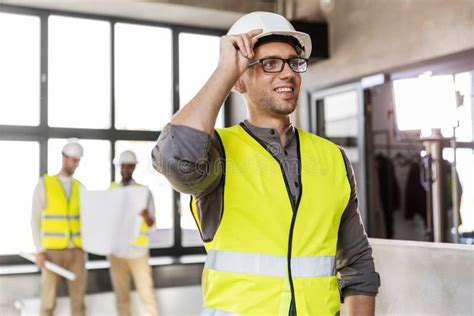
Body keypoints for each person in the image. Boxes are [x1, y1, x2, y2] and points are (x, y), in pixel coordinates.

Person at [152, 11, 380, 316]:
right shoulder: (218, 154)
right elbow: (173, 158)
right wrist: (224, 72)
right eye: (270, 63)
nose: (288, 73)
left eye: (293, 62)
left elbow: (357, 265)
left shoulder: (332, 158)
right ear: (240, 80)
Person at [31, 138, 86, 316]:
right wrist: (39, 249)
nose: (75, 163)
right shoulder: (45, 184)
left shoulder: (80, 187)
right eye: (72, 159)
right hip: (52, 252)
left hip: (77, 251)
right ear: (63, 157)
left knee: (78, 303)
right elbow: (34, 219)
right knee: (48, 302)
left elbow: (88, 220)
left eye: (78, 160)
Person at [109, 150, 159, 316]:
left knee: (147, 297)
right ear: (119, 167)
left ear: (133, 168)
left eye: (129, 166)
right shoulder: (111, 190)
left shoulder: (144, 192)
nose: (126, 170)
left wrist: (146, 216)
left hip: (138, 253)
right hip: (117, 253)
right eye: (123, 166)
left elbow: (152, 225)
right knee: (122, 298)